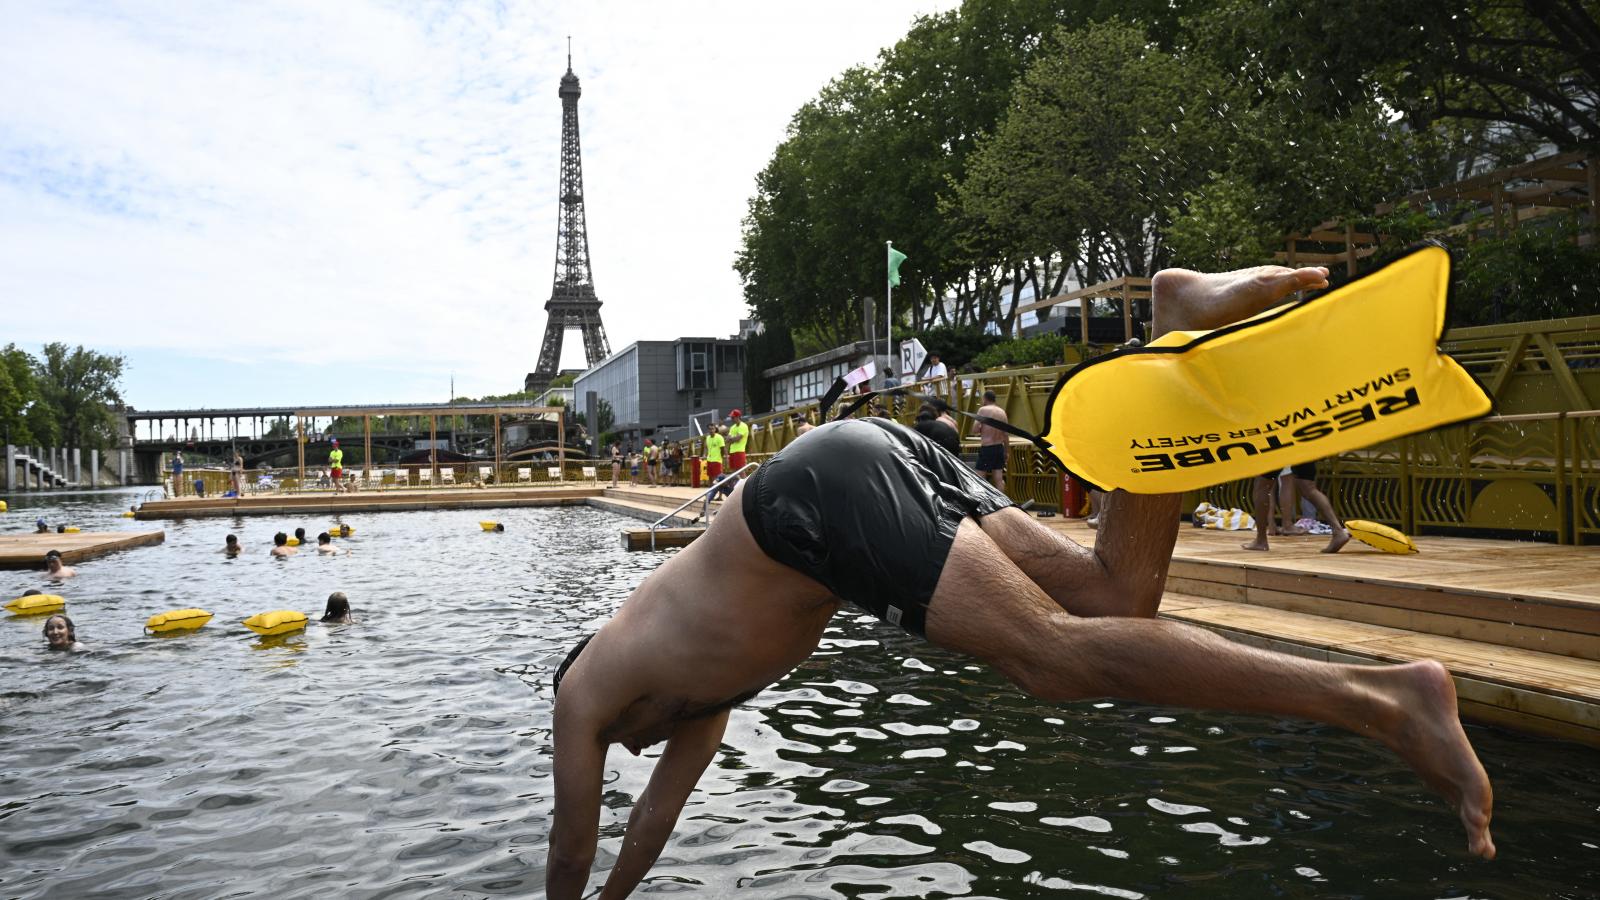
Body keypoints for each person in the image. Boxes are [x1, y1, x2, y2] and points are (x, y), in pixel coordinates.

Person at [545, 264, 1495, 899]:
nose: (632, 755)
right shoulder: (698, 701)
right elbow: (648, 831)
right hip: (862, 463)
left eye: (619, 751)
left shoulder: (584, 692)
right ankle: (1166, 332)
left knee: (1050, 659)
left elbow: (575, 845)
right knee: (1114, 597)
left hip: (817, 501)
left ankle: (1382, 699)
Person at [1242, 462, 1352, 554]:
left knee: (1262, 485)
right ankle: (1338, 531)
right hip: (1303, 441)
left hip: (1281, 442)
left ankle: (1261, 540)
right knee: (1308, 487)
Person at [974, 389, 1010, 492]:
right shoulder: (1002, 412)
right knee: (999, 478)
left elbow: (975, 430)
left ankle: (983, 503)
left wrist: (981, 427)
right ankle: (1002, 503)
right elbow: (1006, 435)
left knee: (979, 477)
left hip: (987, 448)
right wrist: (1007, 451)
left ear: (985, 399)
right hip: (999, 447)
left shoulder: (983, 410)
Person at [703, 424, 728, 499]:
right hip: (709, 460)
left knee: (718, 479)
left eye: (712, 429)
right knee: (710, 478)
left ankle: (720, 496)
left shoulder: (719, 437)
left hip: (717, 461)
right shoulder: (707, 438)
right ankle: (711, 494)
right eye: (710, 429)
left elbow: (723, 448)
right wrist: (705, 454)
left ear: (715, 429)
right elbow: (706, 448)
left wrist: (723, 457)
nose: (711, 430)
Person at [726, 410, 750, 475]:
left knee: (741, 471)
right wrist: (733, 438)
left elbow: (738, 438)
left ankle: (745, 484)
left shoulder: (743, 426)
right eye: (731, 417)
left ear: (738, 417)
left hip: (740, 451)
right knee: (733, 472)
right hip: (732, 451)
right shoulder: (732, 427)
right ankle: (737, 484)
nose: (732, 419)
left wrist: (731, 438)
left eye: (733, 417)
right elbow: (727, 439)